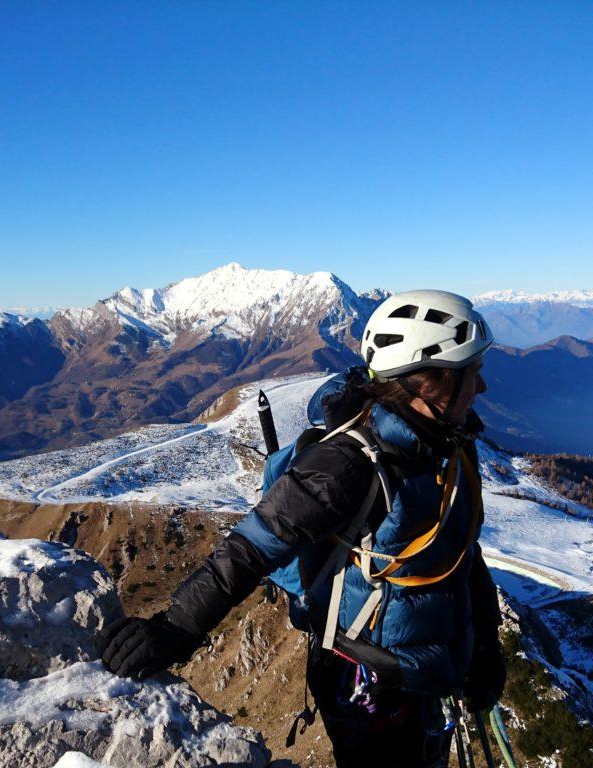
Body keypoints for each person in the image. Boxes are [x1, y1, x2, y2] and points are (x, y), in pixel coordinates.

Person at [97, 290, 507, 768]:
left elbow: (461, 551)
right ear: (426, 381)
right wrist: (172, 631)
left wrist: (484, 646)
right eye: (471, 372)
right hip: (367, 683)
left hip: (427, 674)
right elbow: (251, 547)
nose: (481, 388)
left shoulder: (447, 448)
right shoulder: (346, 464)